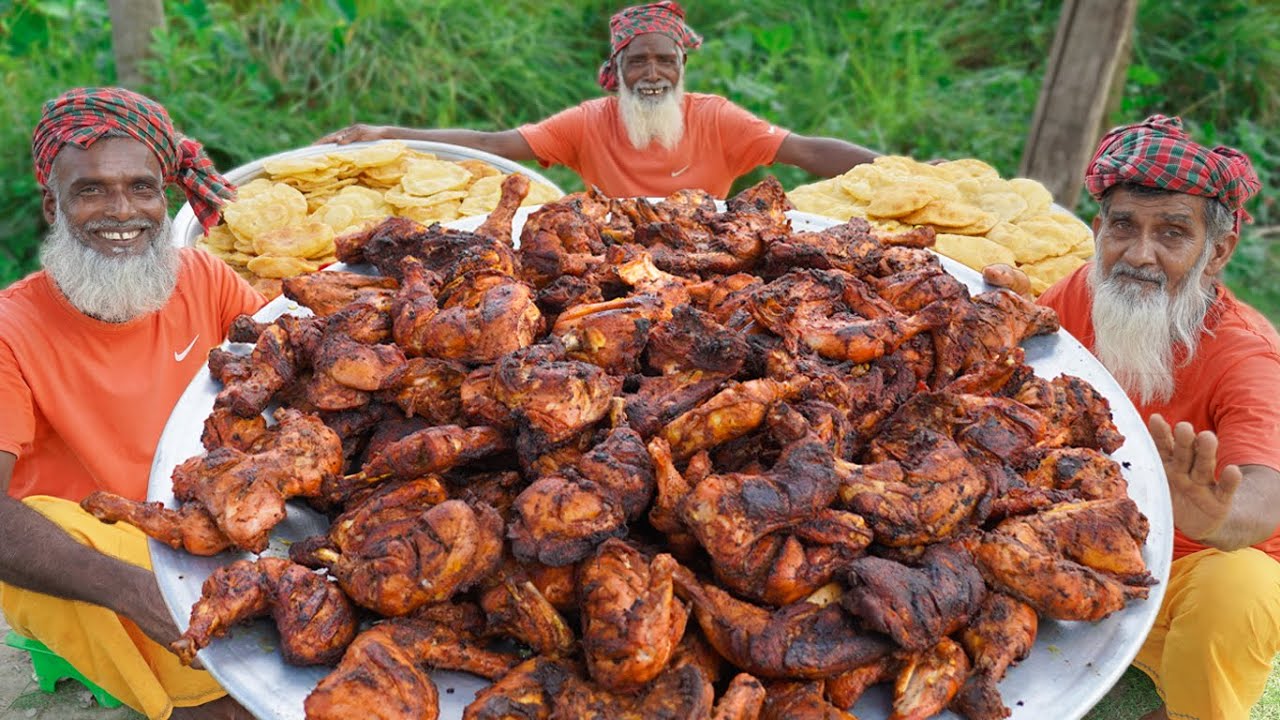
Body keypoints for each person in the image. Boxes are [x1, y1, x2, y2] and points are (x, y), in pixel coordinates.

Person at [986, 115, 1280, 720]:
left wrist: (1220, 520)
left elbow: (1269, 493)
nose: (1140, 255)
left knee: (1239, 590)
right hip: (1085, 545)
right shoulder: (1082, 290)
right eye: (1124, 226)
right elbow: (1019, 378)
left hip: (1188, 578)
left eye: (1173, 233)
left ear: (1216, 251)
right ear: (1099, 229)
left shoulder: (1245, 353)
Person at [0, 87, 265, 720]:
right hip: (92, 559)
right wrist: (132, 590)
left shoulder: (206, 279)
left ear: (164, 197)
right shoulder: (10, 331)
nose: (123, 212)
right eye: (90, 190)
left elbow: (288, 374)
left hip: (214, 521)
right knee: (232, 708)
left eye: (142, 188)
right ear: (52, 206)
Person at [317, 1, 879, 198]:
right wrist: (389, 135)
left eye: (665, 60)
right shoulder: (588, 123)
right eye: (638, 61)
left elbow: (807, 152)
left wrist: (902, 170)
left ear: (683, 67)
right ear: (616, 71)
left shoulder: (717, 119)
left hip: (710, 262)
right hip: (610, 265)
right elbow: (492, 145)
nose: (652, 72)